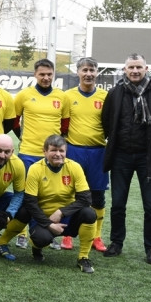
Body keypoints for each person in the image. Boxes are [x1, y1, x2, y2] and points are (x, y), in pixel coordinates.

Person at [101, 53, 151, 266]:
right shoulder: (115, 93)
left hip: (148, 158)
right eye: (131, 67)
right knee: (118, 204)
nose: (134, 71)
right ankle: (116, 243)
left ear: (146, 68)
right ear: (125, 69)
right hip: (121, 157)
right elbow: (106, 121)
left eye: (138, 67)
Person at [0, 135, 98, 273]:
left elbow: (86, 199)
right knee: (34, 228)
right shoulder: (36, 169)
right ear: (45, 152)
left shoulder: (74, 167)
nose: (58, 154)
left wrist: (61, 212)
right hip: (42, 218)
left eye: (61, 151)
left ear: (66, 152)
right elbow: (30, 202)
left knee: (89, 213)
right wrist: (48, 224)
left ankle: (83, 257)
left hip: (67, 217)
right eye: (53, 150)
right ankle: (29, 246)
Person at [11, 58, 69, 249]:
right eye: (42, 74)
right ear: (35, 75)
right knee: (26, 195)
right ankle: (21, 232)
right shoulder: (24, 95)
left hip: (52, 156)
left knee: (49, 195)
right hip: (28, 153)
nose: (45, 78)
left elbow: (65, 125)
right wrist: (24, 137)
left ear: (54, 75)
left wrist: (56, 149)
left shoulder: (62, 97)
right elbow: (14, 120)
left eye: (49, 74)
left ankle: (46, 231)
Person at [61, 57, 108, 252]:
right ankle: (67, 234)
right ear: (78, 72)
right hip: (74, 150)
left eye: (92, 70)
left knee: (97, 196)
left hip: (98, 151)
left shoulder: (106, 97)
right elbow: (63, 125)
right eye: (85, 70)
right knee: (70, 193)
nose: (88, 74)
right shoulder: (67, 96)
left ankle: (96, 236)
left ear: (97, 73)